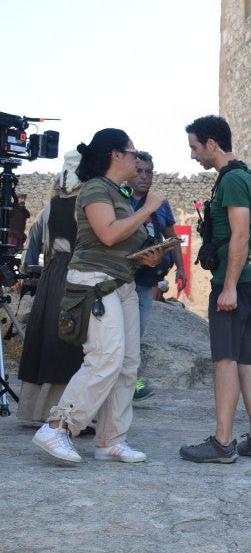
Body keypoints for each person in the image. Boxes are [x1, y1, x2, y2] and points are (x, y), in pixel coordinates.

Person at [30, 129, 172, 463]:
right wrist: (148, 208)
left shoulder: (118, 193)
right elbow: (107, 234)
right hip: (94, 282)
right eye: (132, 152)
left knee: (127, 363)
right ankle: (57, 426)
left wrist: (145, 255)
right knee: (105, 356)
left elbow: (119, 241)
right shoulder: (95, 189)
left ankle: (111, 439)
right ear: (115, 154)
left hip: (121, 281)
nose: (137, 160)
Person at [179, 115, 251, 463]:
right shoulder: (243, 174)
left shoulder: (232, 179)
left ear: (212, 145)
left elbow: (241, 234)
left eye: (194, 147)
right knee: (246, 359)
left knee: (225, 361)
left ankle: (222, 442)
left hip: (236, 283)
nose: (192, 155)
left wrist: (228, 286)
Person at [17, 152, 86, 423]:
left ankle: (40, 410)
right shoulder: (80, 204)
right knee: (65, 343)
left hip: (53, 275)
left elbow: (37, 239)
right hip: (70, 276)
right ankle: (61, 413)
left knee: (52, 341)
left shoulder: (54, 203)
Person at [126, 151, 187, 402]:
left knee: (136, 331)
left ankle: (131, 382)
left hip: (145, 280)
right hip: (121, 277)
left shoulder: (160, 203)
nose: (143, 176)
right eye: (138, 171)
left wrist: (181, 269)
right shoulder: (119, 199)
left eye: (148, 172)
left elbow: (172, 237)